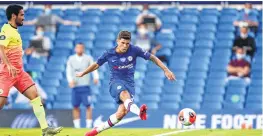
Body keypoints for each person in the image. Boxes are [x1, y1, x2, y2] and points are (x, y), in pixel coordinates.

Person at [76, 31, 176, 136]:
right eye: (122, 43)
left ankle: (95, 131)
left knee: (121, 114)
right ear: (117, 41)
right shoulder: (109, 53)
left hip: (130, 84)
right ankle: (139, 113)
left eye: (127, 43)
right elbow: (96, 64)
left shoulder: (135, 50)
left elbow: (152, 57)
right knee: (124, 93)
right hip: (115, 82)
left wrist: (166, 70)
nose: (125, 46)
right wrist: (84, 72)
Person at [0, 5, 62, 135]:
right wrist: (8, 64)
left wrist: (22, 54)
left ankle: (45, 129)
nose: (23, 17)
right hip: (7, 73)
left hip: (20, 73)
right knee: (1, 102)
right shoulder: (6, 29)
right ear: (13, 16)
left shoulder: (15, 31)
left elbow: (13, 52)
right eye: (21, 15)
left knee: (35, 96)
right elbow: (1, 48)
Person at [66, 43, 99, 129]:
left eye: (81, 48)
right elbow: (68, 71)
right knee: (75, 106)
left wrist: (96, 77)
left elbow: (94, 67)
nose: (79, 49)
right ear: (75, 49)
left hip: (85, 86)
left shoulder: (88, 58)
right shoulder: (71, 59)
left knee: (88, 106)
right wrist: (70, 81)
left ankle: (88, 125)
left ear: (83, 49)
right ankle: (77, 126)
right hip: (75, 87)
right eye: (78, 47)